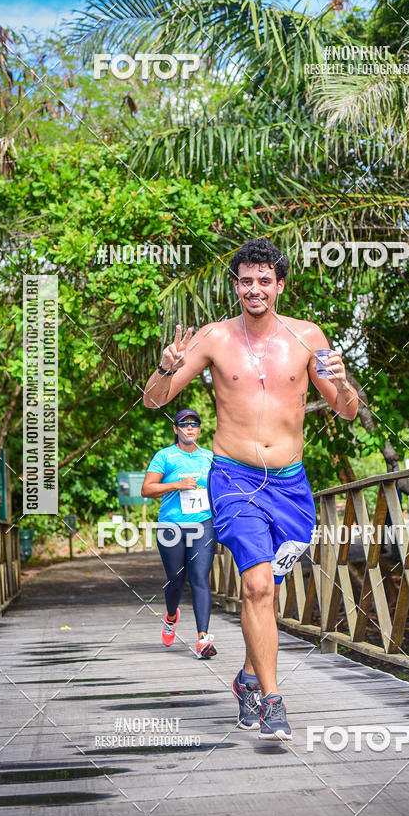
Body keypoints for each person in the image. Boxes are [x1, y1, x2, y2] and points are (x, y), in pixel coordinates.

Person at [143, 238, 358, 739]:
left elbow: (346, 410)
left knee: (268, 592)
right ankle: (274, 700)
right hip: (234, 478)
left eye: (265, 280)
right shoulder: (214, 339)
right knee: (256, 585)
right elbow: (155, 400)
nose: (255, 288)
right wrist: (166, 366)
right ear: (236, 285)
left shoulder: (308, 337)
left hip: (291, 487)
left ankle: (246, 679)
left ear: (279, 285)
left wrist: (345, 384)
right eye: (246, 280)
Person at [141, 408, 218, 659]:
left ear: (199, 429)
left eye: (194, 424)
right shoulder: (165, 456)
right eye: (184, 424)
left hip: (203, 524)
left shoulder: (209, 457)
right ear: (175, 429)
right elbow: (147, 489)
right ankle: (171, 615)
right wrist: (177, 484)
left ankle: (203, 639)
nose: (189, 428)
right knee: (176, 580)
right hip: (171, 526)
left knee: (200, 578)